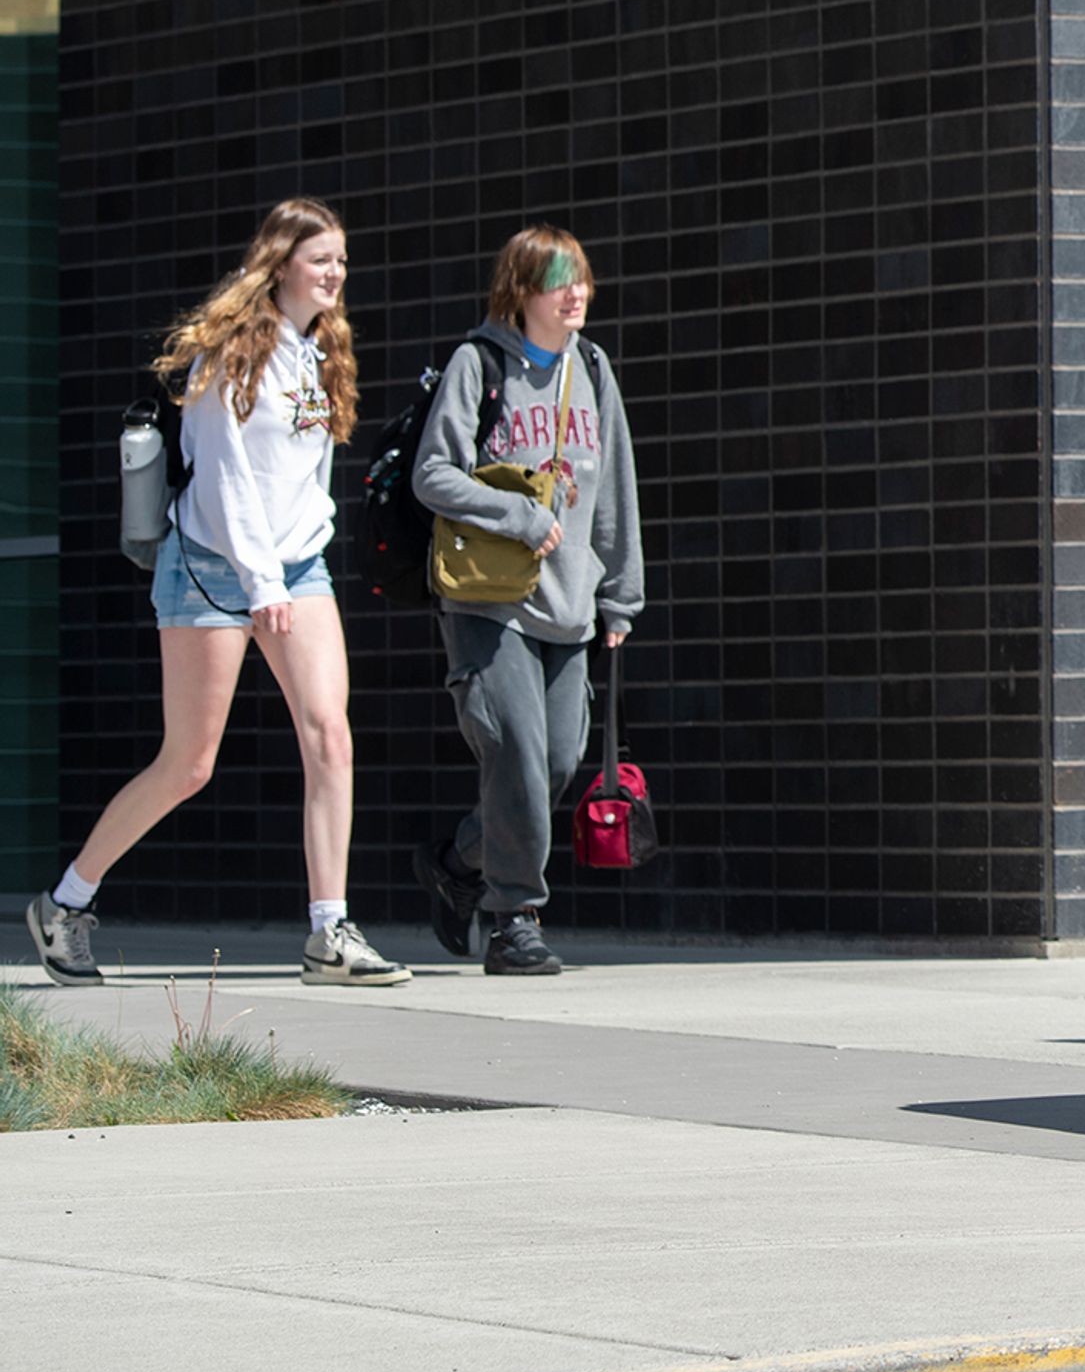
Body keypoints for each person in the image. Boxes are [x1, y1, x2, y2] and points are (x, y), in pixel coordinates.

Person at [24, 200, 407, 987]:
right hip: (211, 564)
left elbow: (301, 472)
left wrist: (306, 546)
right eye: (320, 258)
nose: (335, 273)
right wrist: (262, 579)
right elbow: (227, 476)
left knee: (330, 733)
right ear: (279, 262)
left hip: (298, 565)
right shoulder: (231, 351)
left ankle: (329, 932)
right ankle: (65, 904)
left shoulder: (320, 350)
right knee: (189, 762)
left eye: (341, 259)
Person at [409, 226, 642, 978]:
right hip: (489, 602)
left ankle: (456, 861)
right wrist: (519, 516)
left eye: (580, 278)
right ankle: (515, 918)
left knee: (555, 761)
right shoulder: (478, 366)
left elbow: (614, 494)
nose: (575, 293)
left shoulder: (595, 369)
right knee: (513, 749)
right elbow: (432, 474)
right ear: (521, 290)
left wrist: (620, 598)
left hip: (570, 606)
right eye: (556, 280)